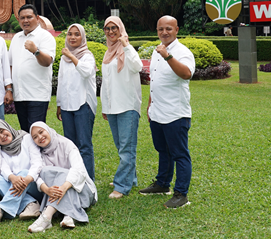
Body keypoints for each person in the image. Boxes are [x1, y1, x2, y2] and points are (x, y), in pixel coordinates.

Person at [140, 15, 196, 209]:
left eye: (168, 29)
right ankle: (162, 184)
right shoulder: (157, 51)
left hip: (175, 113)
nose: (164, 32)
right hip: (157, 111)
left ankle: (181, 194)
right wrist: (150, 105)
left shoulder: (182, 52)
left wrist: (168, 56)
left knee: (179, 154)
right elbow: (155, 80)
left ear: (176, 30)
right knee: (163, 150)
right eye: (160, 29)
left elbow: (186, 74)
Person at [100, 16, 143, 199]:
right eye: (107, 28)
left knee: (127, 147)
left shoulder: (127, 50)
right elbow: (106, 83)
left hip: (127, 105)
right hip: (112, 107)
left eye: (114, 28)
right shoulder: (108, 52)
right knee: (121, 146)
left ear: (121, 29)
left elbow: (138, 67)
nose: (111, 32)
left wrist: (125, 45)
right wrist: (105, 106)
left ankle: (122, 185)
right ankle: (130, 178)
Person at [27, 122, 97, 233]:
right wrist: (46, 189)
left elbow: (79, 170)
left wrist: (63, 187)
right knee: (45, 170)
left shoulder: (66, 144)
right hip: (56, 192)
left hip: (82, 191)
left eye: (41, 132)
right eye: (35, 137)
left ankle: (46, 216)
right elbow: (37, 174)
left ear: (48, 130)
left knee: (65, 174)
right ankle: (69, 215)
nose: (40, 137)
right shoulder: (38, 153)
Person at [0, 119, 44, 227]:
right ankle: (31, 204)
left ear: (7, 127)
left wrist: (28, 178)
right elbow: (4, 169)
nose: (2, 137)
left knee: (24, 172)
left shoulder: (26, 138)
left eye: (2, 131)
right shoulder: (0, 149)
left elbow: (37, 162)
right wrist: (12, 178)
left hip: (34, 184)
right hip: (15, 185)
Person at [56, 23, 97, 180]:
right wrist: (59, 104)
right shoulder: (63, 58)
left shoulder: (87, 56)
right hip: (67, 106)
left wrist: (72, 57)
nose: (72, 37)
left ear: (82, 37)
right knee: (70, 145)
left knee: (84, 145)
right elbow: (61, 81)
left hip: (83, 104)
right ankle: (74, 179)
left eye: (76, 34)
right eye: (70, 34)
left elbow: (86, 72)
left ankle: (88, 181)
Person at [8, 4, 56, 132]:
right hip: (19, 95)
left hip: (37, 95)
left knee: (36, 132)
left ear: (37, 18)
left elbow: (47, 62)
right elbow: (11, 65)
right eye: (22, 18)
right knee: (24, 132)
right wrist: (9, 89)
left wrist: (36, 51)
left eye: (29, 17)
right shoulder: (16, 38)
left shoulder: (45, 37)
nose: (25, 20)